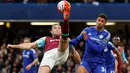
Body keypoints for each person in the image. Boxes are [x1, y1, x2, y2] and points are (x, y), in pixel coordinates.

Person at [7, 1, 81, 73]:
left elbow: (74, 53)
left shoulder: (67, 39)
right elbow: (29, 45)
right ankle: (65, 21)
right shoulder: (46, 39)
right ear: (51, 32)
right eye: (55, 28)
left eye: (59, 28)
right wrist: (14, 46)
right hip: (49, 55)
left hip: (62, 53)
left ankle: (65, 20)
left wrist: (81, 64)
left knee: (65, 39)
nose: (57, 29)